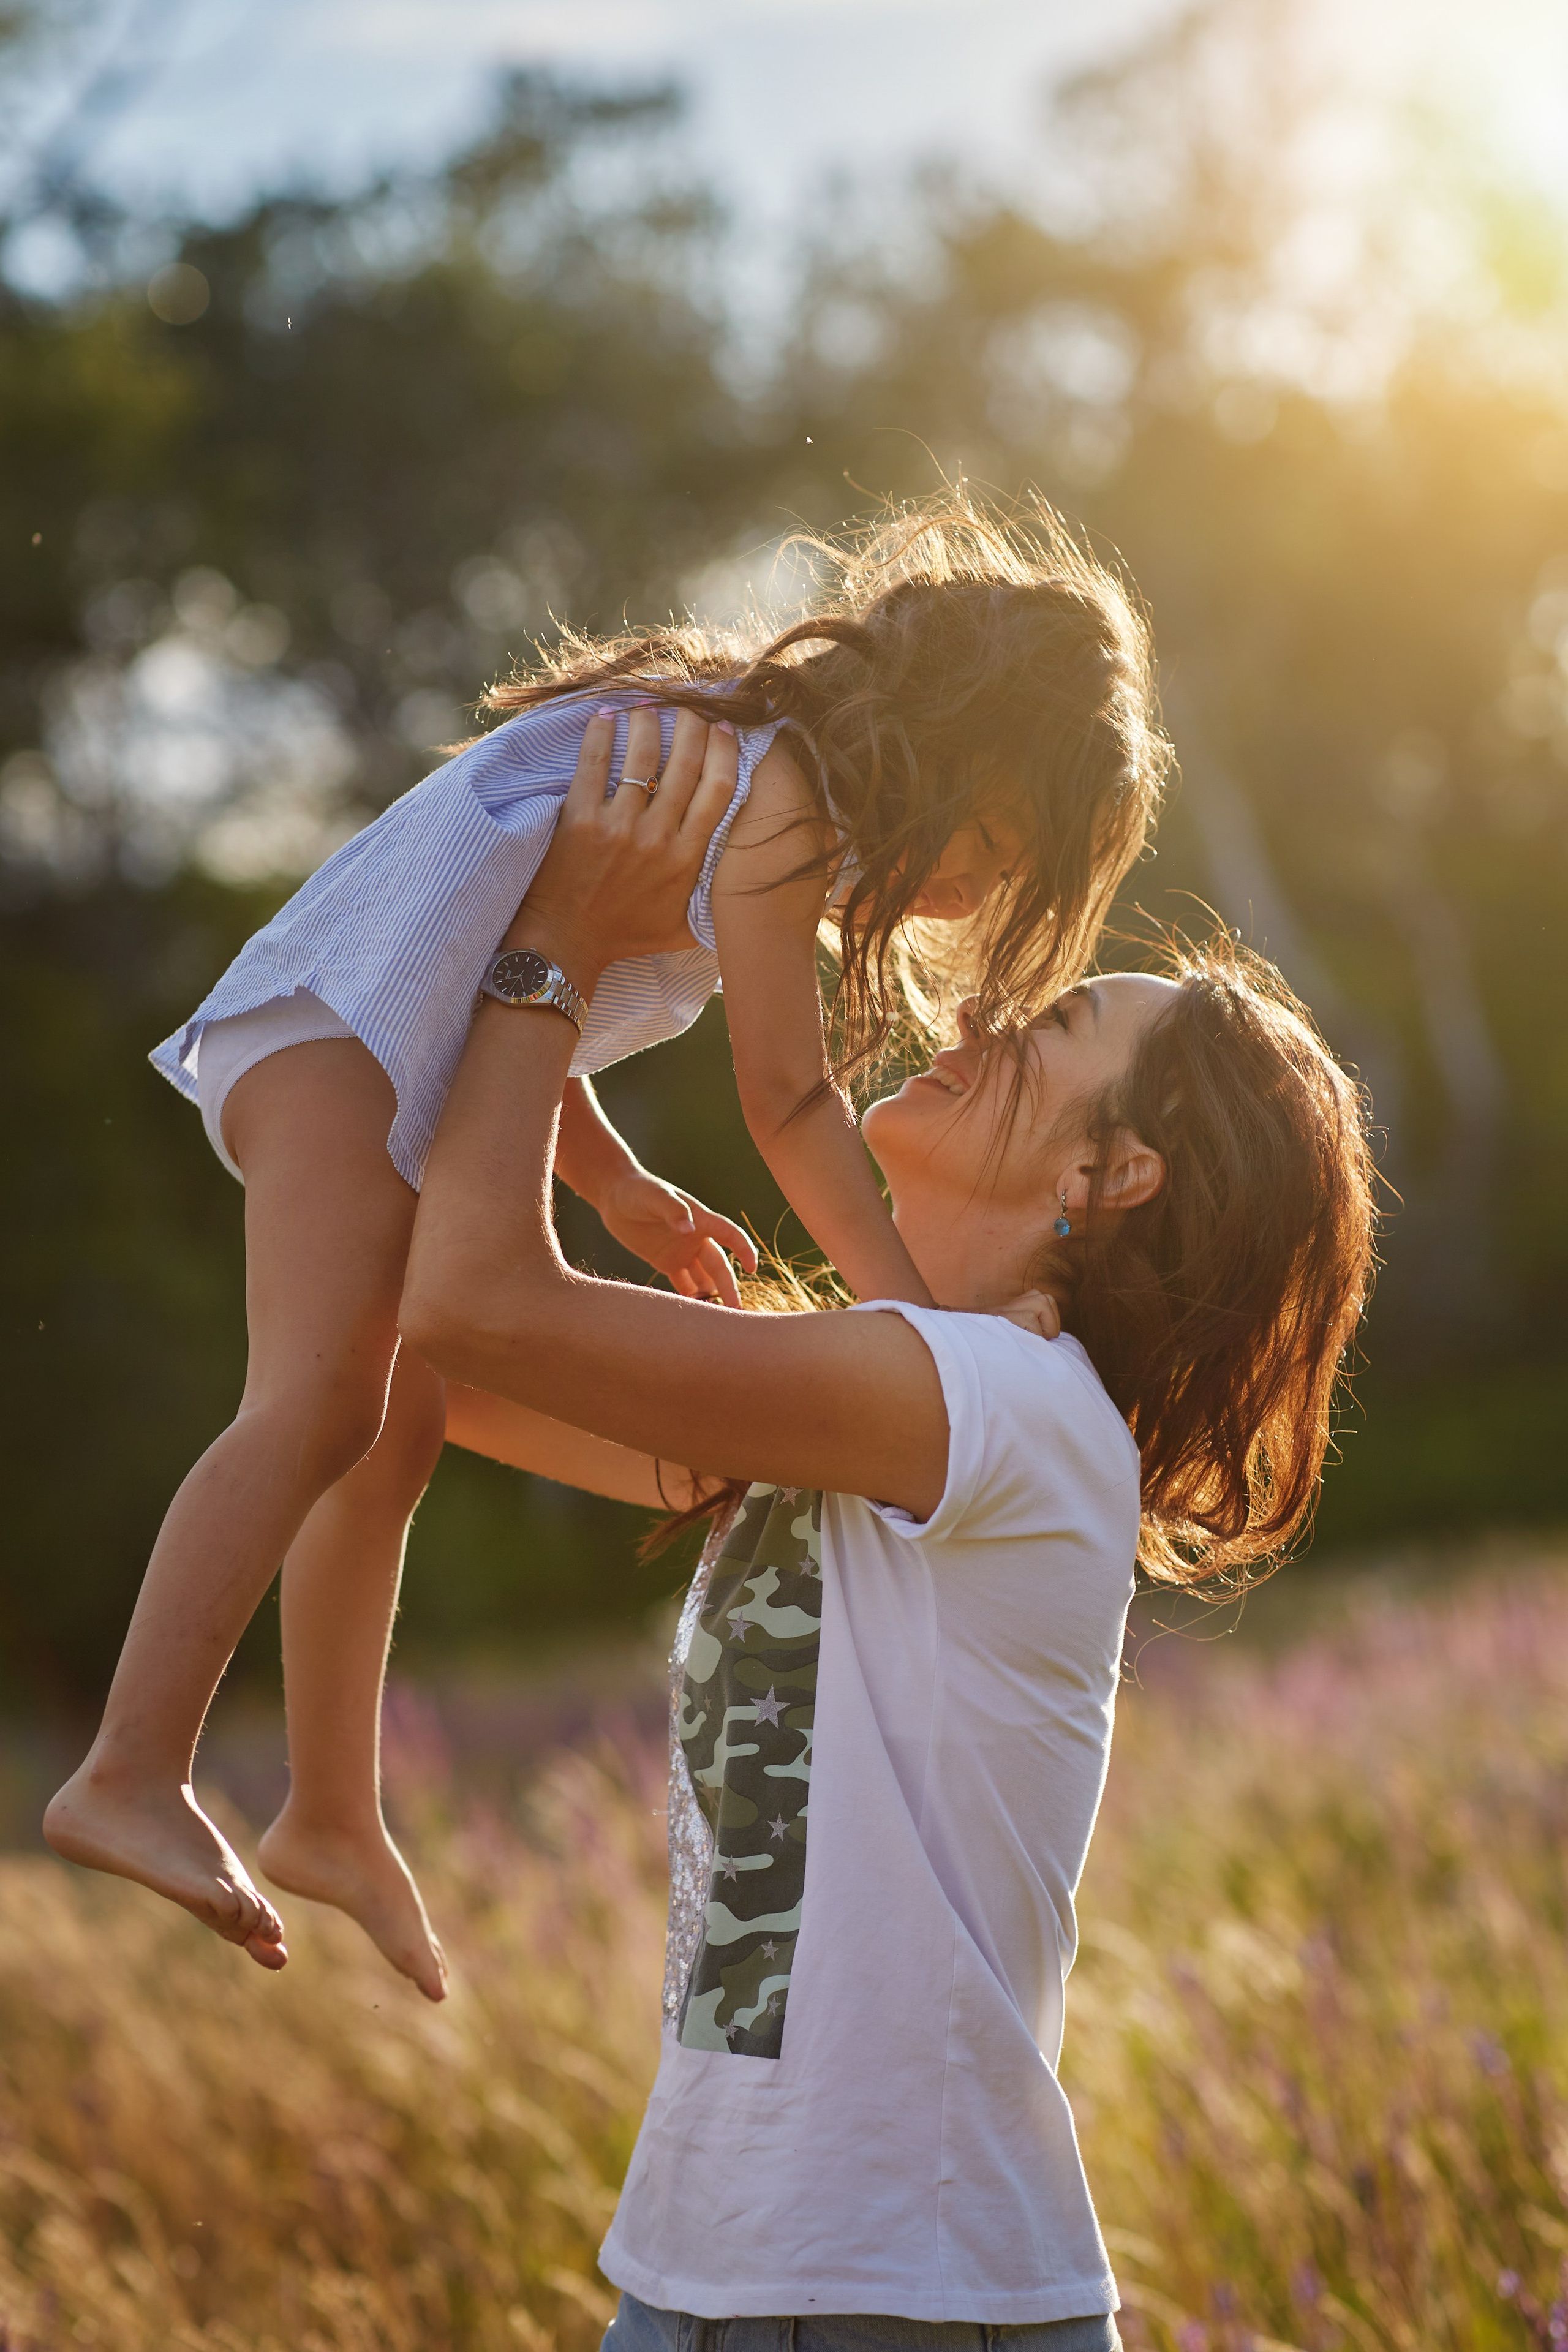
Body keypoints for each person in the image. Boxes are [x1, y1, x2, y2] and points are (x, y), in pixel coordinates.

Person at [45, 492, 1170, 1999]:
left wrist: (618, 1187)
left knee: (386, 1416)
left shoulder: (739, 757)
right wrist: (917, 1318)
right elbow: (787, 1098)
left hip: (368, 1032)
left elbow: (483, 962)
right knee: (313, 1404)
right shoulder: (780, 801)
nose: (968, 897)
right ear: (945, 744)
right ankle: (131, 1768)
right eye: (990, 842)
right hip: (331, 1034)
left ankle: (329, 1810)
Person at [395, 712, 1377, 2340]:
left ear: (1114, 1172)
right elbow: (424, 1362)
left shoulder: (1009, 1411)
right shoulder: (879, 1418)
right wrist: (467, 953)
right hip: (697, 2275)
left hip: (906, 2294)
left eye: (1052, 1024)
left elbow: (470, 1309)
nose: (981, 1011)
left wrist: (557, 941)